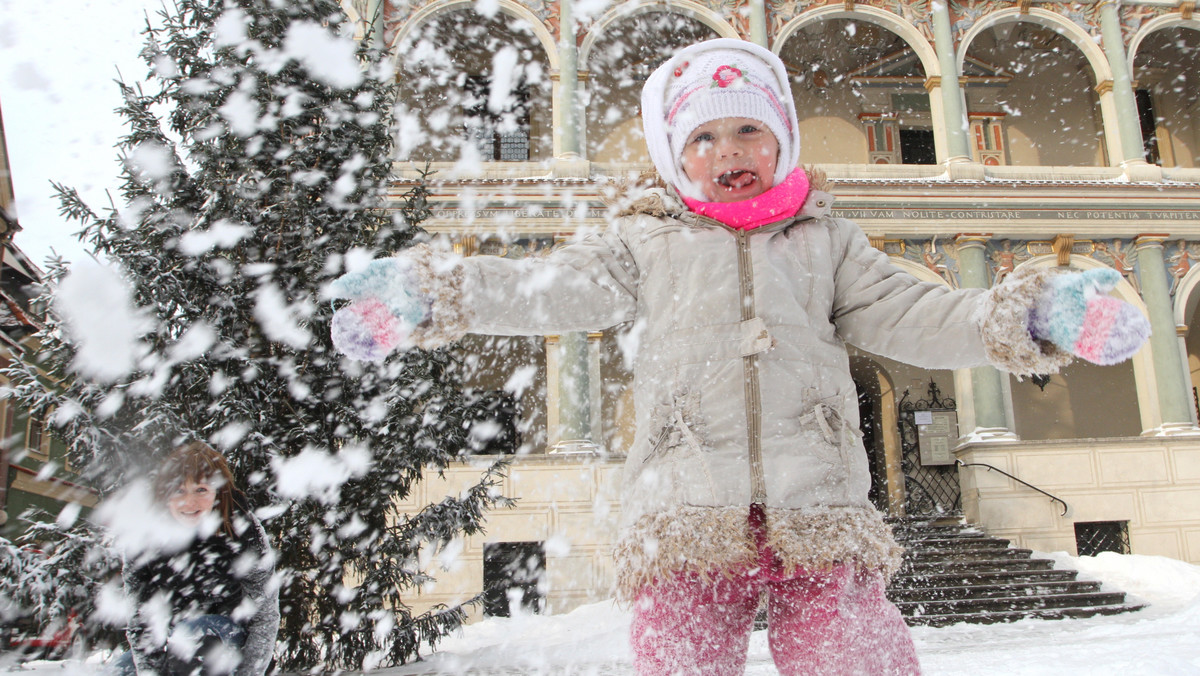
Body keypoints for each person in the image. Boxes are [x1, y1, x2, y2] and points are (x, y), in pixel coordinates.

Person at [327, 38, 1151, 675]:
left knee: (852, 654)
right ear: (675, 155)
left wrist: (1032, 313)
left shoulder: (828, 243)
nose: (730, 150)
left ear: (783, 137)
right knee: (680, 658)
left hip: (819, 505)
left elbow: (918, 313)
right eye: (706, 137)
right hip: (687, 506)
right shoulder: (641, 243)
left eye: (750, 128)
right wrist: (438, 292)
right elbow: (547, 288)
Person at [111, 442, 278, 676]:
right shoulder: (144, 538)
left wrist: (250, 671)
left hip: (231, 644)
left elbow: (265, 615)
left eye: (200, 490)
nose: (189, 503)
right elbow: (142, 621)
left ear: (218, 493)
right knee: (121, 670)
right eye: (179, 490)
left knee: (194, 633)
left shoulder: (244, 530)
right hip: (175, 641)